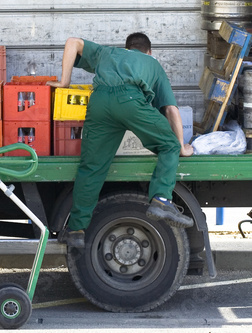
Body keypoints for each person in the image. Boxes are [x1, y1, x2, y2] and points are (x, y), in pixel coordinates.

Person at [47, 33, 194, 248]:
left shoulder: (109, 52)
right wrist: (181, 146)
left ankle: (76, 230)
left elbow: (72, 42)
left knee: (92, 168)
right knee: (169, 144)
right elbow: (171, 109)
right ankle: (161, 199)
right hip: (130, 101)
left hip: (99, 103)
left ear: (126, 47)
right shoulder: (153, 65)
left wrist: (65, 81)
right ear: (149, 52)